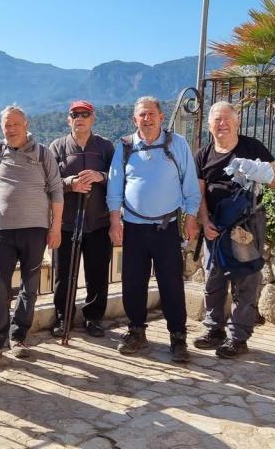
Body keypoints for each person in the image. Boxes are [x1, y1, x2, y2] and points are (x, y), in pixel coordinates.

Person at [0, 105, 63, 366]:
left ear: (26, 124)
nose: (11, 129)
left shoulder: (42, 153)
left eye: (16, 124)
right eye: (6, 125)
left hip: (35, 230)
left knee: (29, 287)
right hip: (2, 231)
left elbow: (57, 190)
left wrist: (56, 227)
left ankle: (19, 338)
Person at [107, 96, 200, 362]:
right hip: (134, 228)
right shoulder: (124, 147)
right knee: (132, 283)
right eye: (141, 115)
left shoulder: (176, 144)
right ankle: (136, 332)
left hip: (167, 227)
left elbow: (190, 186)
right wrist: (115, 220)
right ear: (134, 120)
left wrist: (191, 218)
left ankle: (178, 337)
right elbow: (114, 188)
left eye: (151, 114)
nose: (146, 119)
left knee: (171, 283)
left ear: (161, 117)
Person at [193, 101, 275, 359]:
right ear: (209, 125)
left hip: (246, 227)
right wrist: (204, 221)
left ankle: (238, 338)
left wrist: (258, 172)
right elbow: (199, 193)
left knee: (245, 281)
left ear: (237, 121)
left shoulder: (252, 147)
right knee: (213, 280)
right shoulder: (203, 154)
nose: (222, 124)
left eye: (226, 119)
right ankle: (214, 330)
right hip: (215, 227)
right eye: (216, 120)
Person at [48, 100, 115, 338]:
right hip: (66, 224)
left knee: (97, 273)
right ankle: (62, 318)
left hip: (98, 222)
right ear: (68, 119)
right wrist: (71, 184)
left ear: (93, 118)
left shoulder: (105, 147)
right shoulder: (57, 147)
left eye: (84, 114)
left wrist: (100, 176)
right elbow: (50, 182)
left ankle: (93, 318)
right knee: (64, 274)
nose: (80, 118)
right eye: (74, 114)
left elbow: (118, 179)